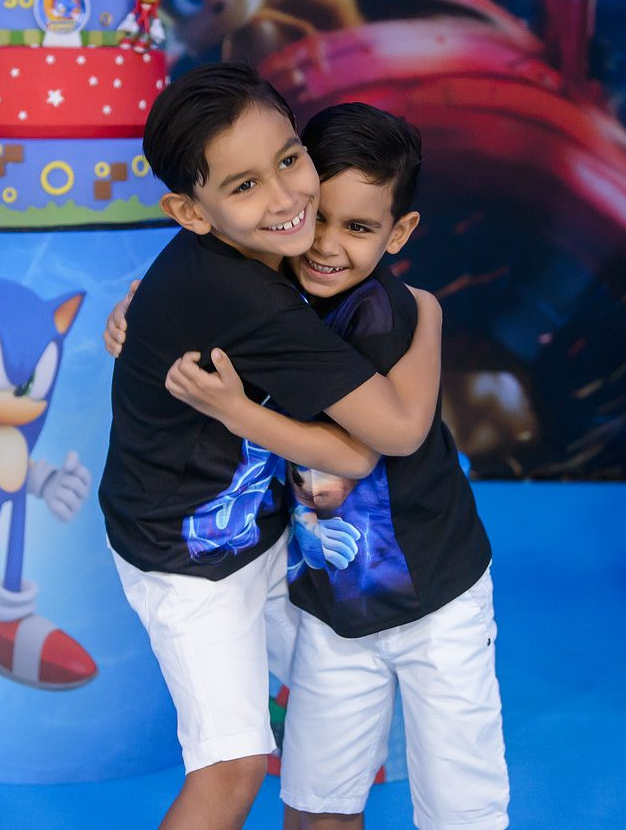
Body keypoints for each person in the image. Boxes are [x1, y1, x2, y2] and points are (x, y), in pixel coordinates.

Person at [99, 64, 443, 830]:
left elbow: (194, 280)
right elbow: (386, 436)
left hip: (262, 529)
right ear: (190, 213)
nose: (288, 200)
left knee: (338, 723)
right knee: (232, 767)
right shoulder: (251, 297)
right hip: (188, 559)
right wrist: (430, 316)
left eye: (290, 159)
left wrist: (139, 308)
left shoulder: (265, 246)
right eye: (246, 185)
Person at [159, 103, 510, 830]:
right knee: (316, 803)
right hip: (331, 609)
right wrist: (134, 311)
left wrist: (237, 410)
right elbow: (195, 291)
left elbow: (392, 439)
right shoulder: (264, 293)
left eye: (357, 227)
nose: (324, 245)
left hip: (438, 601)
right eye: (317, 216)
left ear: (398, 233)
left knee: (461, 808)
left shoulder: (386, 312)